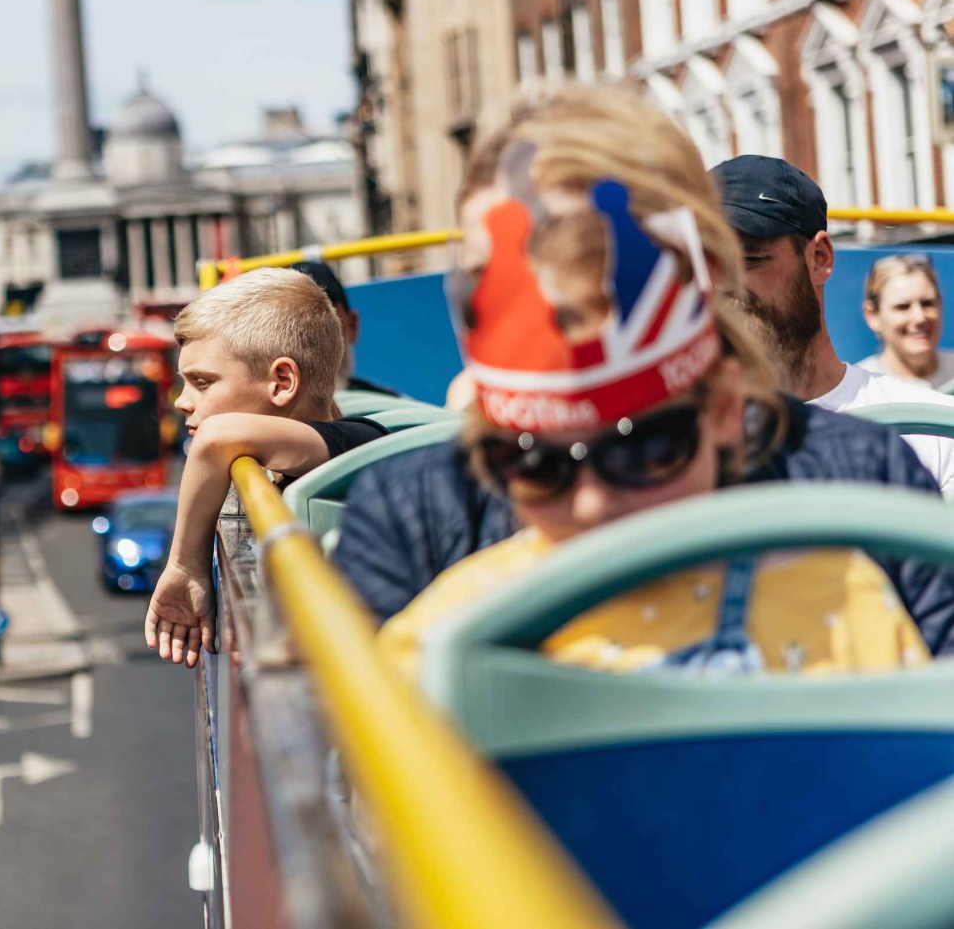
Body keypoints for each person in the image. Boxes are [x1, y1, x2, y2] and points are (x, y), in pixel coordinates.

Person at [332, 88, 954, 655]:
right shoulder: (410, 522)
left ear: (722, 407)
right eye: (531, 460)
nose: (592, 503)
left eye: (648, 447)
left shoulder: (865, 481)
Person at [144, 267, 390, 666]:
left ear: (282, 382)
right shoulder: (273, 463)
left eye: (202, 382)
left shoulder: (360, 442)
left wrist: (185, 566)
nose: (181, 401)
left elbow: (215, 438)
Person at [711, 155, 954, 495]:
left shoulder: (933, 427)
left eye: (750, 259)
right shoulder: (675, 451)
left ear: (819, 258)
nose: (723, 284)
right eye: (706, 262)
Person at [287, 260, 398, 394]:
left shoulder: (391, 403)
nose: (311, 334)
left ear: (352, 325)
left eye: (325, 315)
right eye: (295, 322)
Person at [858, 254, 954, 390]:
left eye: (927, 303)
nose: (919, 318)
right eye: (903, 307)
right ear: (873, 315)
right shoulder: (860, 388)